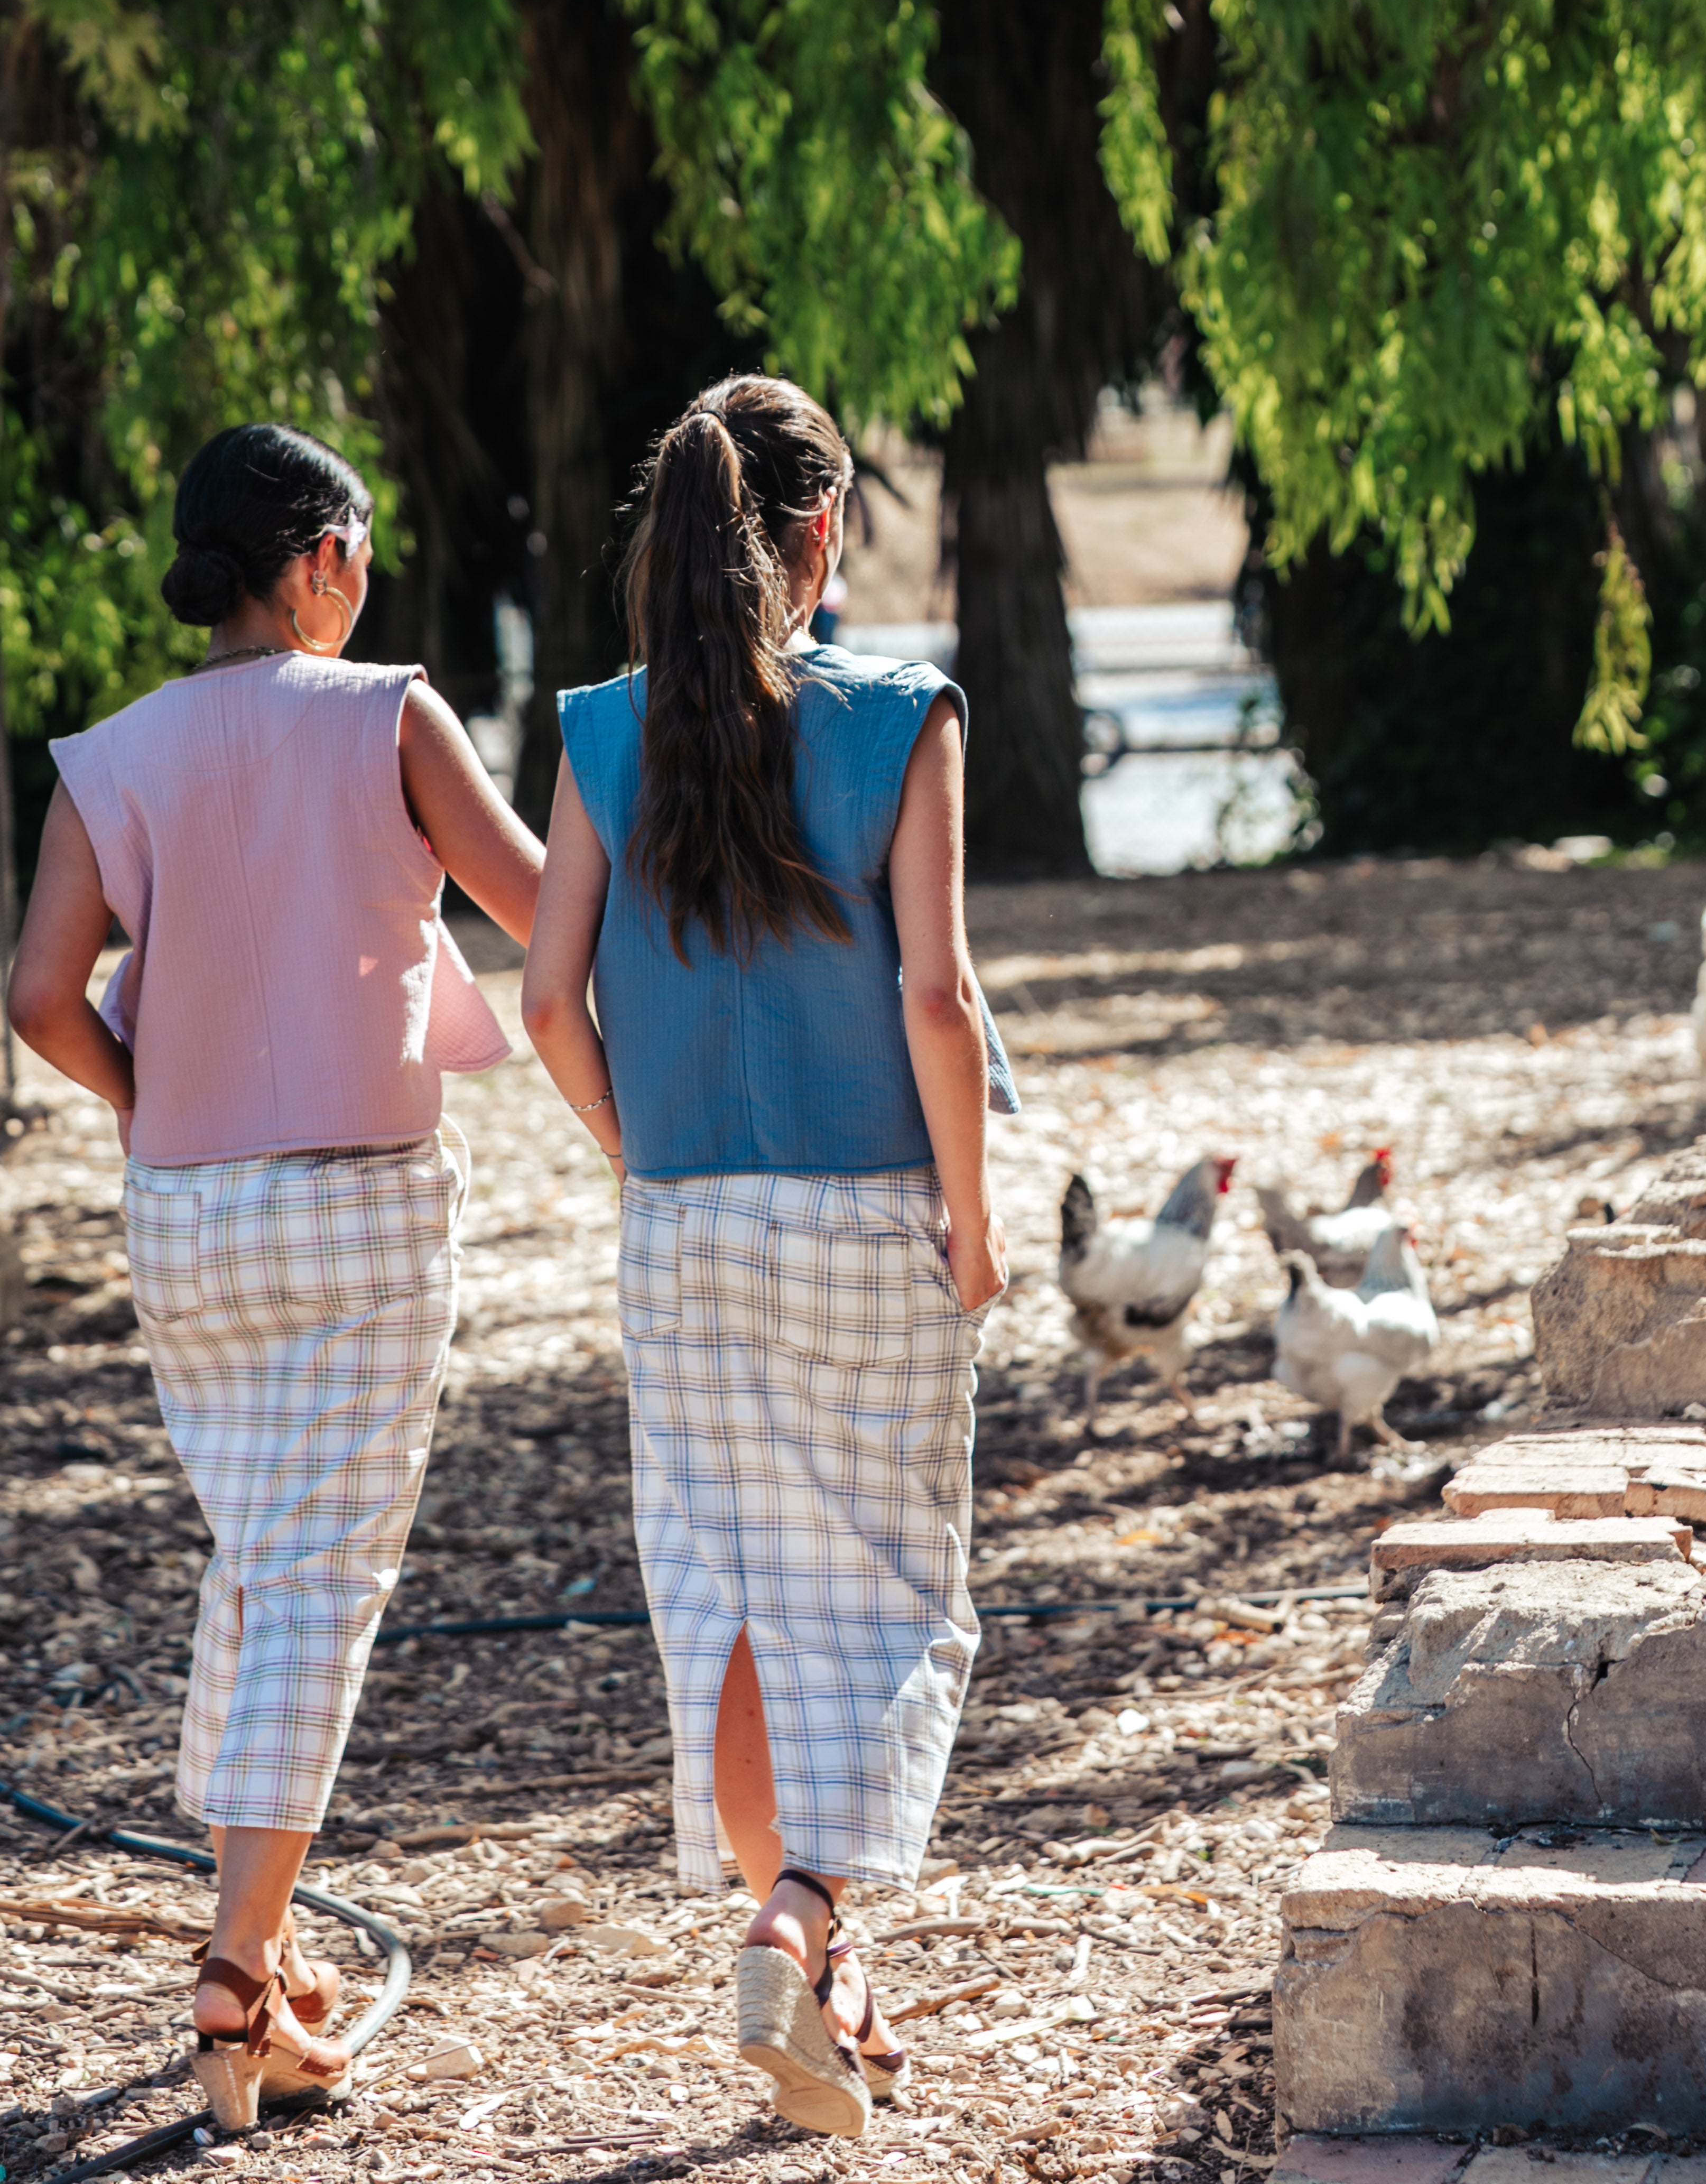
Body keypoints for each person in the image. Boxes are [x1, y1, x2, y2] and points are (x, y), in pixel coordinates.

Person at [8, 424, 543, 2133]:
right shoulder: (390, 711)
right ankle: (237, 1977)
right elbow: (542, 905)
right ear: (314, 560)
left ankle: (267, 1946)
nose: (369, 582)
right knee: (322, 1582)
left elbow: (36, 1001)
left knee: (262, 1558)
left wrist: (147, 1094)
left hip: (183, 1213)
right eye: (360, 551)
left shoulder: (113, 755)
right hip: (361, 1207)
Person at [521, 375, 1017, 2140]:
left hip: (683, 1223)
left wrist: (637, 1157)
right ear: (823, 533)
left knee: (732, 1592)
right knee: (888, 1594)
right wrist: (971, 1216)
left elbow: (544, 1002)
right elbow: (938, 1000)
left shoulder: (600, 728)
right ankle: (802, 1915)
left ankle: (812, 1967)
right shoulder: (905, 716)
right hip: (870, 1205)